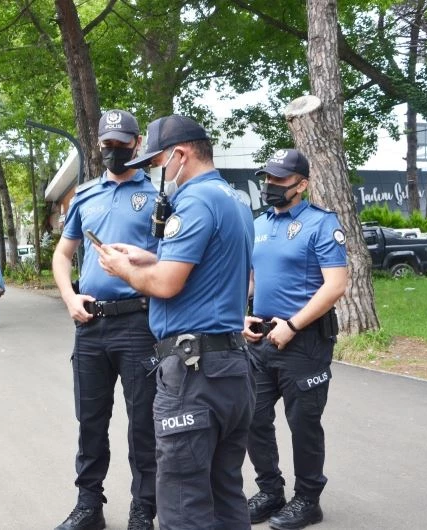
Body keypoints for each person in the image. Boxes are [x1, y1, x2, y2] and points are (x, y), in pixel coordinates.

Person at [98, 115, 255, 529]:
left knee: (184, 502)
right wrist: (151, 257)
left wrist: (122, 269)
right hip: (231, 366)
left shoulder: (195, 201)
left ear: (180, 155)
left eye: (158, 162)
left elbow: (166, 284)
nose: (157, 173)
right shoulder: (234, 199)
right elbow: (214, 267)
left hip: (194, 373)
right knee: (225, 494)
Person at [52, 109, 159, 530]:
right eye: (107, 144)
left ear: (137, 144)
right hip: (90, 325)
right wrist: (69, 297)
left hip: (138, 323)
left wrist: (142, 261)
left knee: (143, 424)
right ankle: (88, 505)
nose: (114, 151)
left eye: (122, 144)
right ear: (98, 145)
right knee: (90, 421)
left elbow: (174, 257)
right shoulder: (84, 195)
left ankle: (143, 508)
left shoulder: (157, 195)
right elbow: (63, 255)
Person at [242, 149, 348, 530]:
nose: (270, 185)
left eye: (279, 179)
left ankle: (307, 499)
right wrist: (241, 312)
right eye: (267, 178)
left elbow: (335, 285)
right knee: (252, 417)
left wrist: (293, 325)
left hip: (304, 342)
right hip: (260, 340)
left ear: (301, 185)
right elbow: (251, 278)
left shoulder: (321, 224)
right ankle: (270, 491)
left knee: (304, 423)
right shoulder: (258, 224)